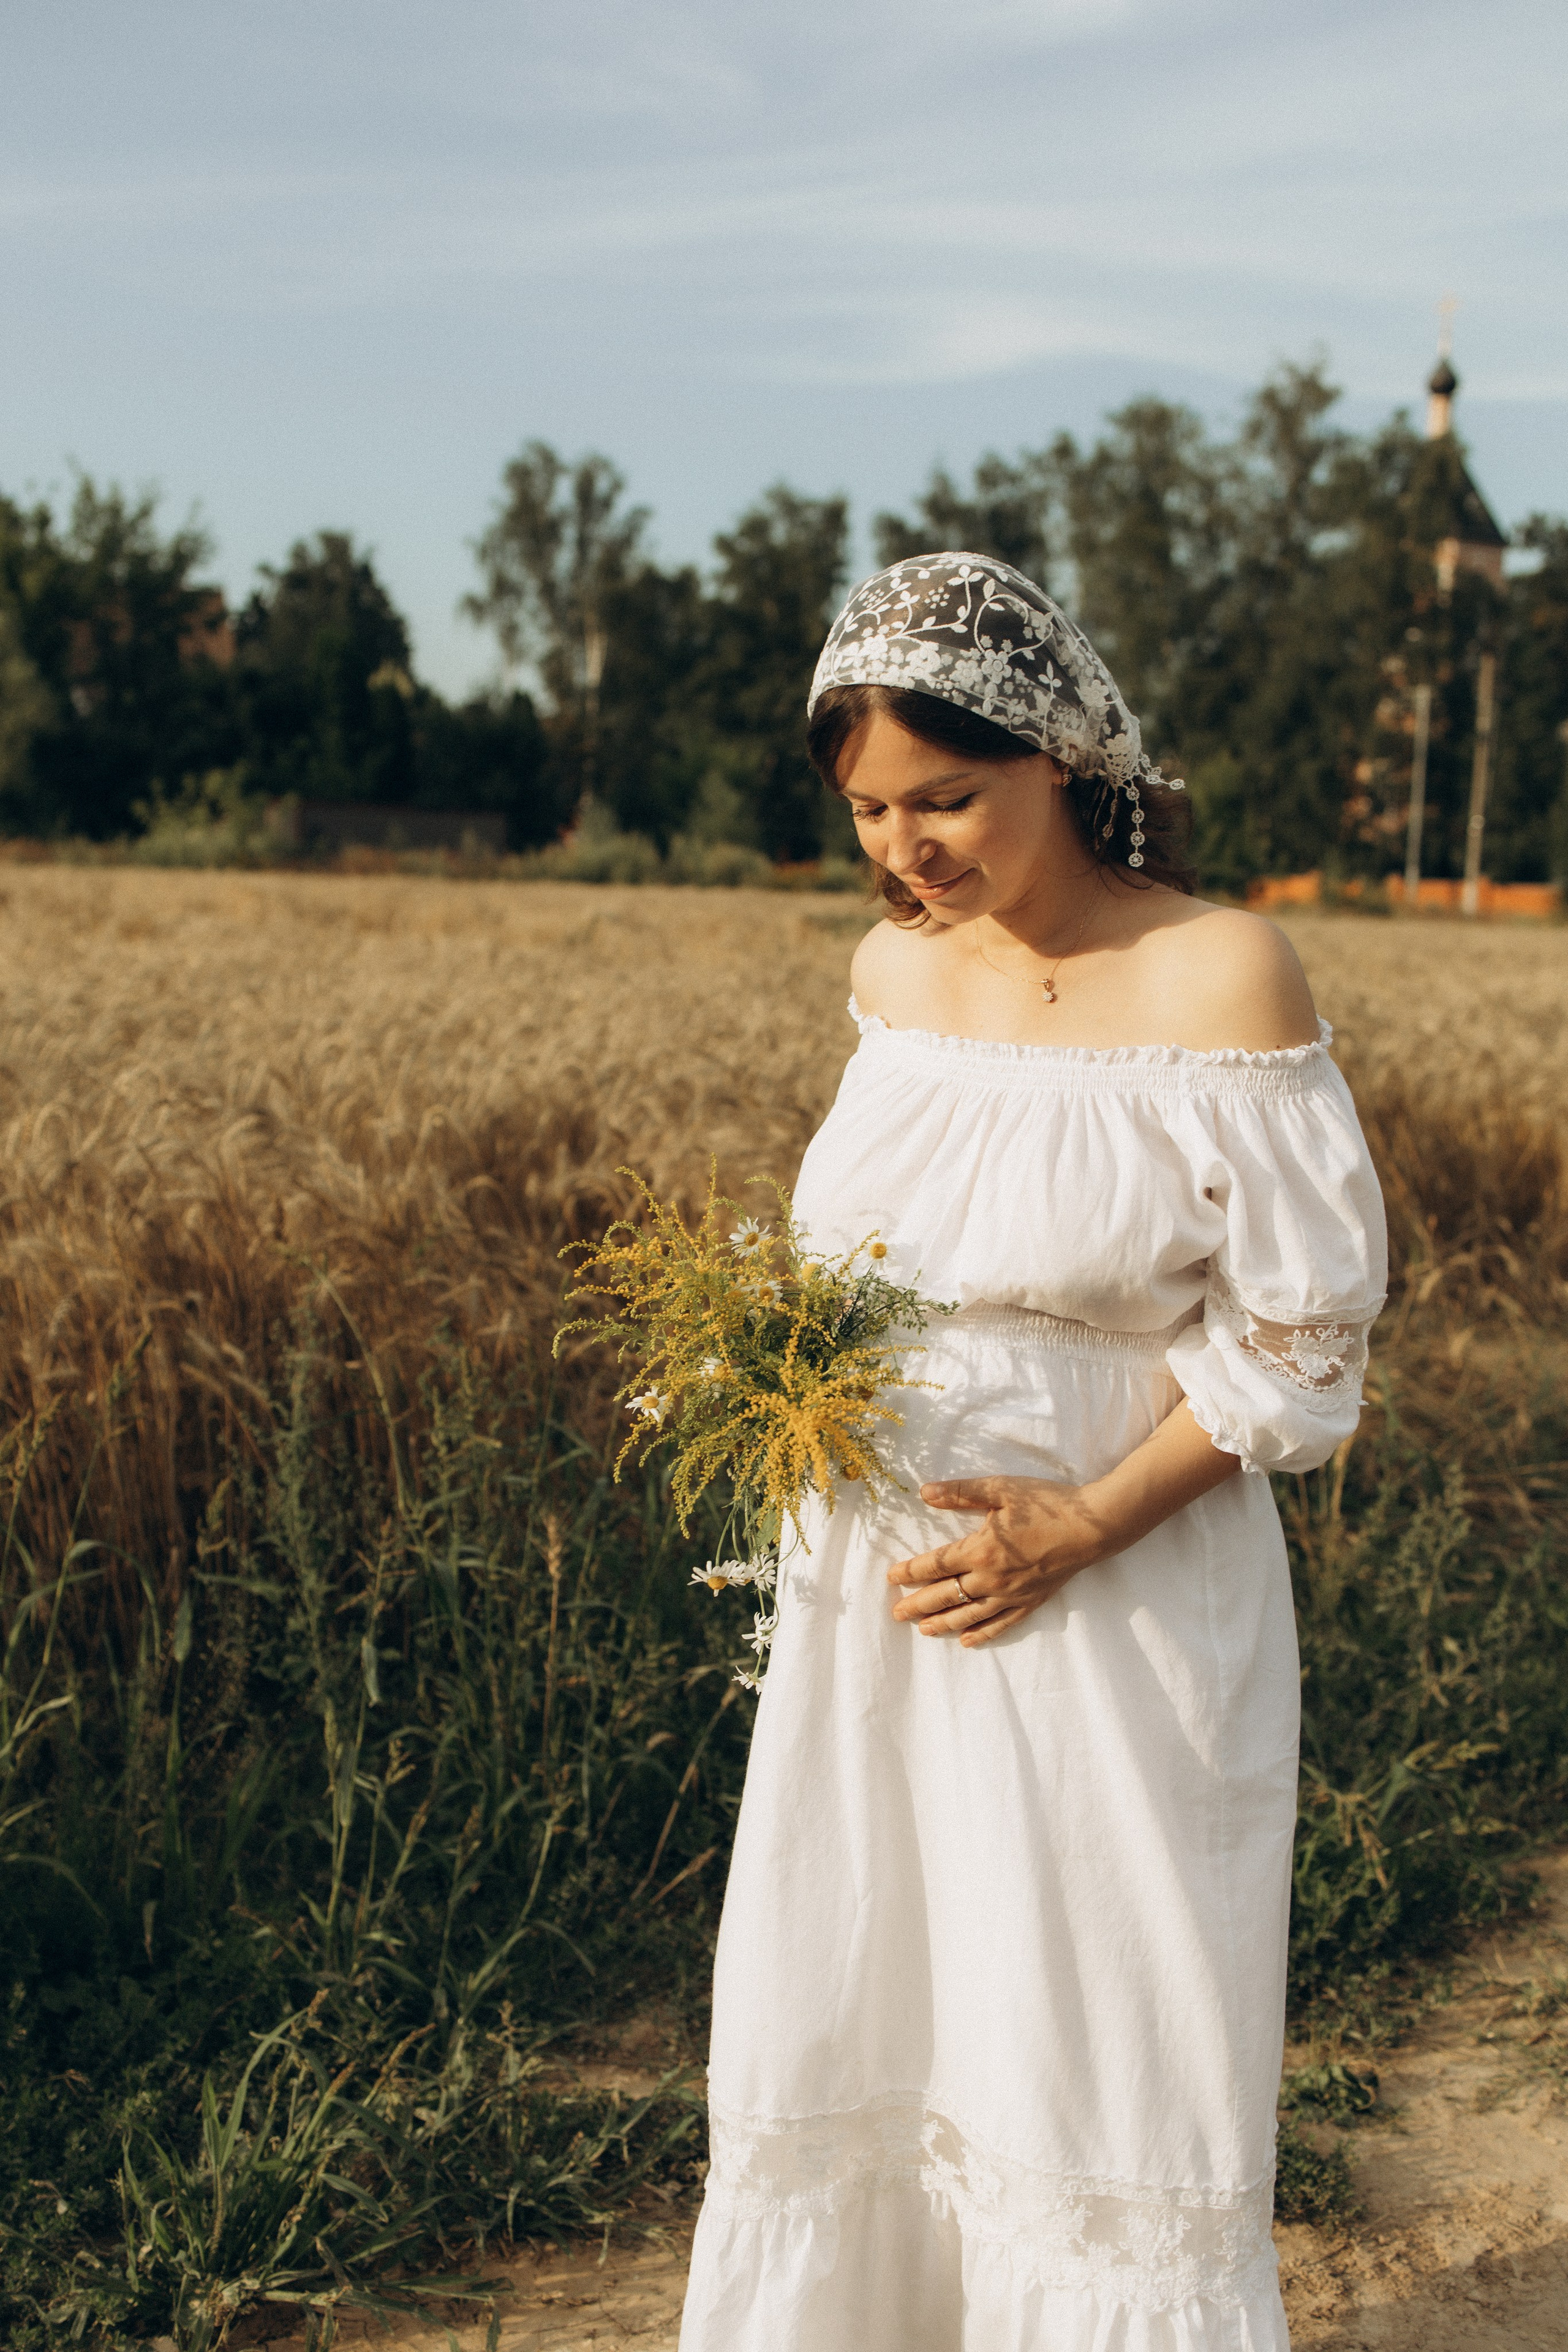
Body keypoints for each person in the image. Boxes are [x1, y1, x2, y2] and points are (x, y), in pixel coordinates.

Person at [677, 554, 1387, 2352]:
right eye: (869, 811)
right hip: (879, 1586)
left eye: (947, 798)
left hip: (1116, 1583)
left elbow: (1302, 1339)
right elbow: (861, 1258)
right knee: (875, 1982)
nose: (905, 848)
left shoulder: (1222, 971)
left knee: (1093, 2015)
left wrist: (1079, 1522)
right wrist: (778, 1379)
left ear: (1060, 755)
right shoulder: (892, 970)